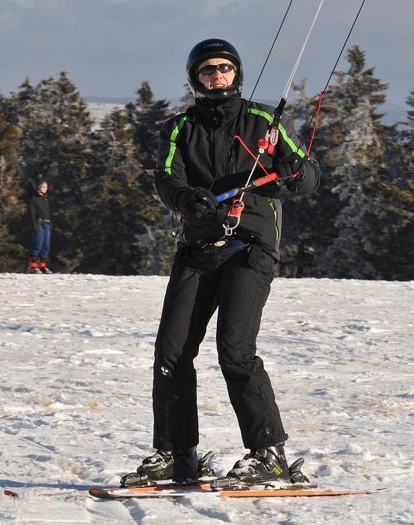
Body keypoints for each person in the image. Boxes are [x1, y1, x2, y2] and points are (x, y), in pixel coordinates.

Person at [123, 38, 321, 486]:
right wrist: (185, 198)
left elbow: (309, 177)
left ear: (237, 74)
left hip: (250, 246)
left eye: (224, 68)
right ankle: (177, 454)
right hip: (198, 248)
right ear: (195, 77)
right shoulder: (178, 128)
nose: (216, 76)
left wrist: (295, 171)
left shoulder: (264, 122)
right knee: (171, 353)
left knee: (235, 350)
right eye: (207, 69)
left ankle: (268, 453)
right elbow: (165, 179)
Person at [27, 178, 53, 274]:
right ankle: (32, 266)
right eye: (43, 186)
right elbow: (32, 213)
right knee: (38, 243)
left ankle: (43, 265)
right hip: (38, 223)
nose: (45, 188)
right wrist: (34, 224)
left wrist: (50, 224)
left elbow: (47, 212)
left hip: (47, 223)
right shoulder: (34, 198)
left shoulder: (45, 199)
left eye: (46, 187)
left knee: (46, 245)